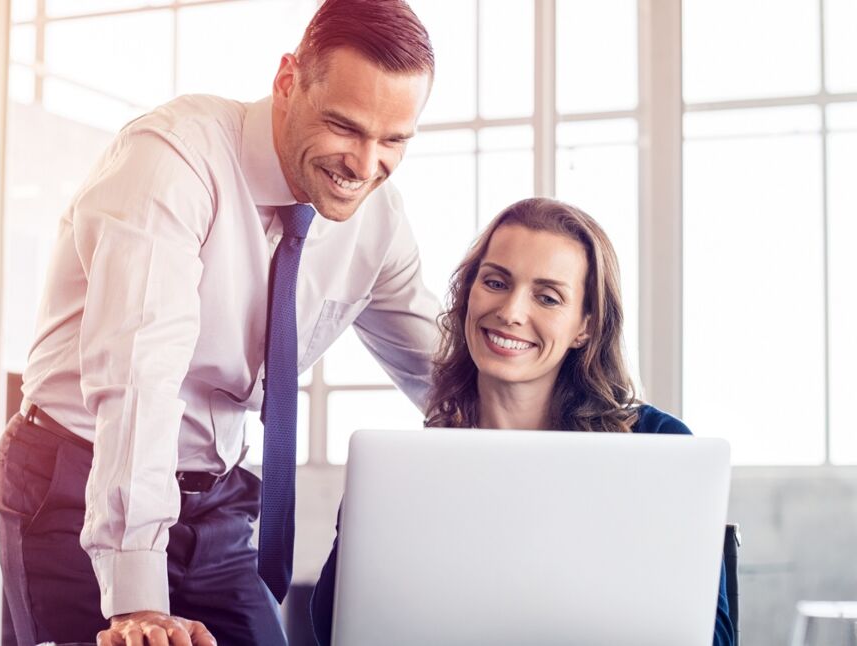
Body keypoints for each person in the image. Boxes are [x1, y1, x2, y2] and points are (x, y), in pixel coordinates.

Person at [0, 1, 442, 645]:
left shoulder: (378, 221)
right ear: (288, 79)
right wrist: (136, 602)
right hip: (78, 476)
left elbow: (453, 380)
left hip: (216, 503)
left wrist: (606, 437)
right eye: (345, 126)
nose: (365, 165)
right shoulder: (174, 159)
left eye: (393, 140)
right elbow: (139, 378)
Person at [308, 197, 735, 646]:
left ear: (585, 325)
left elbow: (714, 637)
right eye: (495, 282)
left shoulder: (657, 446)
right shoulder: (408, 469)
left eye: (547, 297)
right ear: (468, 294)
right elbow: (335, 623)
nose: (511, 311)